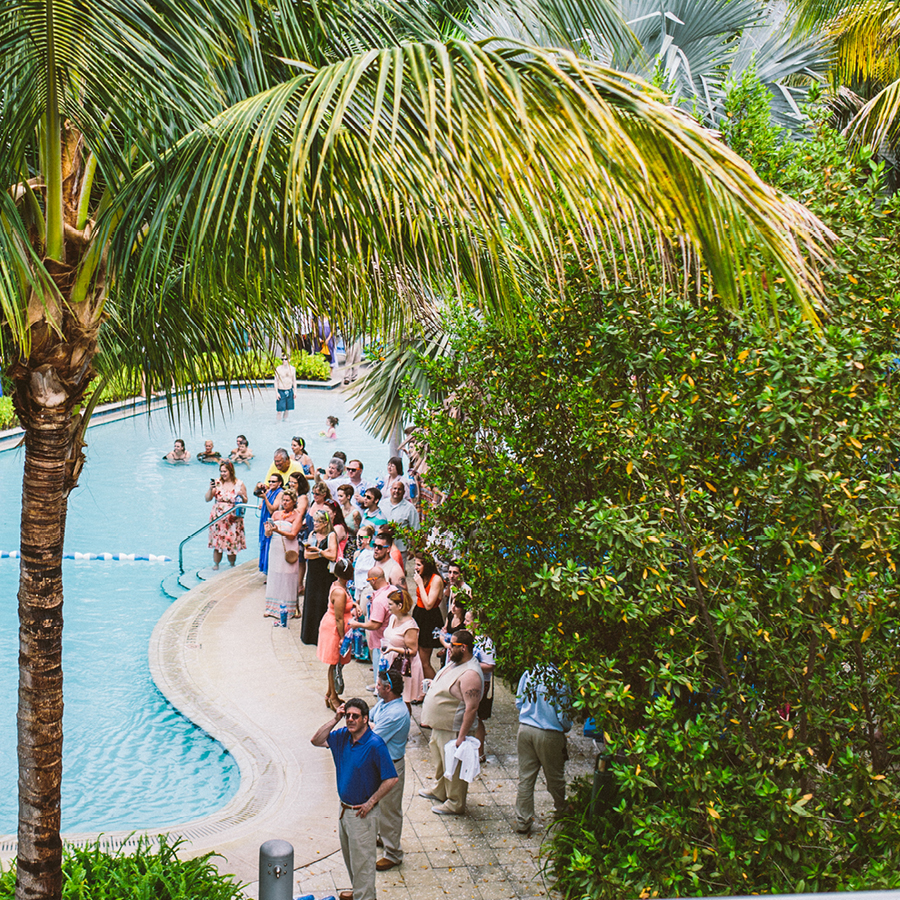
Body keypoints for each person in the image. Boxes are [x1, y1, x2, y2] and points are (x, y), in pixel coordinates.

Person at [311, 700, 398, 900]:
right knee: (353, 862)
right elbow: (316, 740)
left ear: (365, 719)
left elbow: (392, 778)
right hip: (344, 812)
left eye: (355, 716)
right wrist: (335, 718)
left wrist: (371, 802)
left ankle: (364, 896)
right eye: (348, 715)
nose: (350, 719)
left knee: (364, 867)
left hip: (362, 815)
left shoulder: (375, 744)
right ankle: (359, 892)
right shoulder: (343, 736)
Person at [419, 630, 484, 816]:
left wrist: (461, 737)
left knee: (453, 766)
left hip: (454, 729)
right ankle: (441, 790)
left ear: (463, 648)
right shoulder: (456, 662)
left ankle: (455, 802)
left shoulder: (471, 673)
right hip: (441, 726)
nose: (447, 648)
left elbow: (471, 708)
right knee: (440, 761)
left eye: (452, 645)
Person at [514, 664, 573, 835]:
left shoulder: (529, 672)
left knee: (525, 777)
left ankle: (522, 821)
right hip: (549, 732)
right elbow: (564, 715)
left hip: (525, 729)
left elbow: (519, 701)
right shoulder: (561, 678)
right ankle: (562, 811)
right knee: (555, 777)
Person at [369, 669, 410, 871]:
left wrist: (367, 726)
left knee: (391, 809)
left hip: (392, 766)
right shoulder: (384, 703)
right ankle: (383, 837)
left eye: (378, 685)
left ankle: (393, 853)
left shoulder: (396, 713)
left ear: (388, 688)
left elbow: (373, 737)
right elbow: (371, 718)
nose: (376, 688)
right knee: (381, 806)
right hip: (382, 762)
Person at [318, 559, 354, 710]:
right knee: (335, 663)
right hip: (335, 629)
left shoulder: (339, 585)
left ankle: (330, 693)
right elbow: (339, 618)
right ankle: (333, 697)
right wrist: (342, 637)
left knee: (336, 663)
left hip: (337, 626)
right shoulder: (339, 592)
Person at [349, 564, 391, 692]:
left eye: (369, 581)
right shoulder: (393, 590)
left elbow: (375, 624)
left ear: (374, 580)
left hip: (380, 643)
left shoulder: (379, 601)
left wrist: (358, 624)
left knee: (381, 676)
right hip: (390, 641)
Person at [264, 488, 304, 620]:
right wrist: (268, 530)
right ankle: (271, 607)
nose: (285, 502)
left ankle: (291, 607)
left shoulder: (297, 516)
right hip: (275, 547)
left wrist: (278, 530)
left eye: (288, 500)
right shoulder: (275, 514)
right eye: (283, 500)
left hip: (289, 547)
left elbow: (293, 535)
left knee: (288, 576)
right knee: (275, 574)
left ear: (293, 502)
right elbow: (268, 534)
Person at [301, 510, 339, 645]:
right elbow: (306, 555)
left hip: (325, 575)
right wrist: (322, 553)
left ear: (325, 523)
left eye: (318, 521)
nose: (315, 524)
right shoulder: (312, 534)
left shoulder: (331, 535)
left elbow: (333, 555)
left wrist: (318, 552)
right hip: (313, 573)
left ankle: (322, 637)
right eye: (314, 521)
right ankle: (310, 635)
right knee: (311, 601)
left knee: (322, 602)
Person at [380, 588, 422, 709]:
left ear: (400, 605)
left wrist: (393, 649)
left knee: (404, 700)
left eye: (390, 604)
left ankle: (404, 724)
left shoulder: (410, 626)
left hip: (404, 665)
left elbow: (413, 651)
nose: (388, 607)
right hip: (391, 660)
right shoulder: (393, 617)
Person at [205, 460, 247, 569]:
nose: (223, 474)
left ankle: (232, 564)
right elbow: (207, 498)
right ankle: (216, 564)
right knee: (217, 542)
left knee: (231, 542)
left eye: (225, 471)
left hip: (233, 517)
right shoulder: (217, 482)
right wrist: (210, 489)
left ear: (231, 471)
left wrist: (242, 495)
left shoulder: (239, 483)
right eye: (221, 471)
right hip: (218, 517)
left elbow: (246, 501)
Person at [412, 553, 444, 683]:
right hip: (419, 615)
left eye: (419, 564)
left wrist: (419, 584)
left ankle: (437, 686)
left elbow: (429, 604)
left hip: (429, 618)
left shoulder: (436, 579)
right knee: (418, 658)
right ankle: (423, 688)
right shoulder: (423, 577)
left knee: (424, 661)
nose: (416, 567)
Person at [385, 481, 419, 569]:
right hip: (383, 547)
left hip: (400, 548)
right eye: (394, 489)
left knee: (398, 573)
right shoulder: (382, 504)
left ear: (404, 492)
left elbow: (415, 529)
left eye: (399, 489)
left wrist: (412, 548)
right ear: (390, 490)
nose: (396, 491)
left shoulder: (410, 508)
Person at [256, 472, 284, 574]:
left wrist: (265, 499)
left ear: (279, 483)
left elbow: (272, 509)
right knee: (264, 543)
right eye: (270, 481)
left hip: (271, 520)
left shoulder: (280, 493)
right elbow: (256, 493)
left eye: (273, 481)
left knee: (269, 545)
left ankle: (269, 571)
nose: (271, 483)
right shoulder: (269, 491)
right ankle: (265, 569)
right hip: (264, 520)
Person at [274, 354, 297, 421]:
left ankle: (285, 422)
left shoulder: (293, 369)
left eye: (285, 359)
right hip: (281, 391)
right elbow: (276, 381)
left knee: (287, 409)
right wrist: (276, 393)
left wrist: (295, 391)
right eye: (282, 359)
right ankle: (278, 423)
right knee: (279, 410)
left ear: (289, 360)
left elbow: (294, 381)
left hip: (289, 390)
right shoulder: (278, 369)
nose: (284, 361)